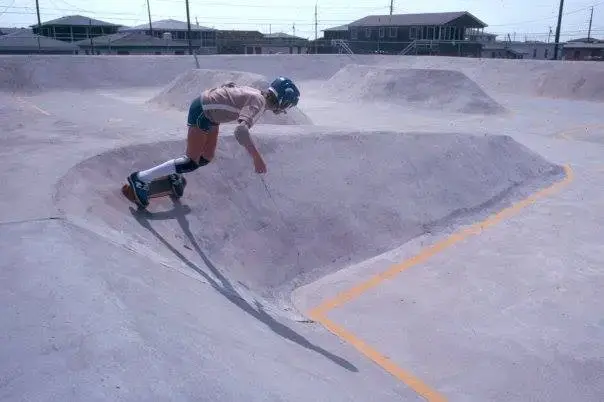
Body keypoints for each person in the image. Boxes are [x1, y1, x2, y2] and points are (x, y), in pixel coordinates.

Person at [125, 76, 301, 207]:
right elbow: (240, 131)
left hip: (211, 115)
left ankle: (174, 172)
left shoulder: (258, 94)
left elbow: (229, 87)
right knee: (191, 161)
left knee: (206, 157)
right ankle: (140, 178)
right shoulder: (259, 102)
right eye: (287, 105)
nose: (286, 110)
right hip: (202, 111)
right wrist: (256, 156)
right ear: (282, 100)